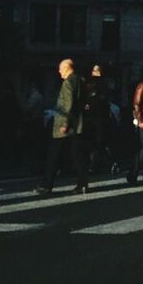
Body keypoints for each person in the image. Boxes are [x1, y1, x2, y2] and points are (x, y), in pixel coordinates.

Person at [36, 59, 89, 195]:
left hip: (66, 127)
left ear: (67, 68)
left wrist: (64, 124)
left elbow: (67, 105)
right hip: (78, 125)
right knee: (78, 156)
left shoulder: (68, 83)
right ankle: (83, 184)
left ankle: (46, 185)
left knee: (53, 156)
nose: (59, 71)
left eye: (60, 68)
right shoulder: (80, 80)